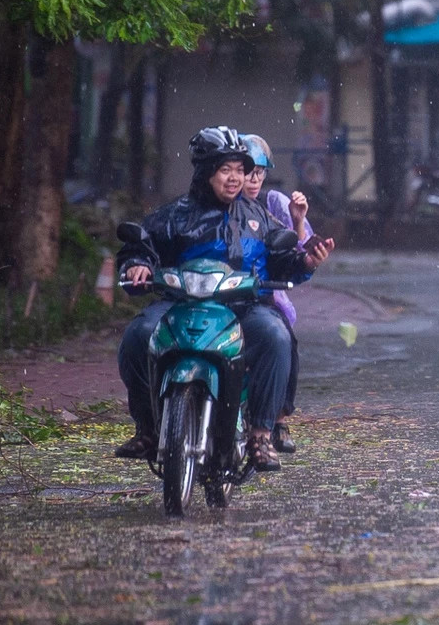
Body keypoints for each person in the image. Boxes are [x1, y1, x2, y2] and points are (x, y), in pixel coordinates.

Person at [113, 126, 307, 472]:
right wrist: (138, 265)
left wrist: (305, 261)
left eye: (240, 170)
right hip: (179, 304)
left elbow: (283, 259)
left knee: (276, 336)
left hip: (242, 308)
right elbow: (140, 247)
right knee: (137, 336)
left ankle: (261, 434)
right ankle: (147, 427)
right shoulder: (172, 216)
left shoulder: (256, 217)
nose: (235, 179)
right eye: (225, 170)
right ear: (205, 172)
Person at [240, 134, 334, 453]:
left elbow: (297, 256)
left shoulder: (273, 204)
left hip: (267, 293)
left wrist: (298, 222)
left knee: (282, 342)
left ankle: (276, 420)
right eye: (246, 170)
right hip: (221, 295)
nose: (252, 179)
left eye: (260, 172)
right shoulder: (215, 207)